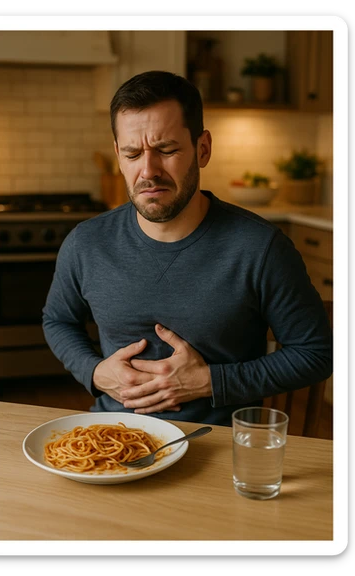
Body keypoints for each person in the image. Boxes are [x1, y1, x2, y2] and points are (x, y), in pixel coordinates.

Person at [42, 70, 333, 426]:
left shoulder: (261, 248)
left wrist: (210, 382)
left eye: (166, 150)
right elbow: (58, 320)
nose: (148, 171)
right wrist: (95, 371)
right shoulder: (86, 243)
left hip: (221, 445)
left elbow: (316, 353)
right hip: (113, 437)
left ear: (203, 148)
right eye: (133, 153)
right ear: (118, 155)